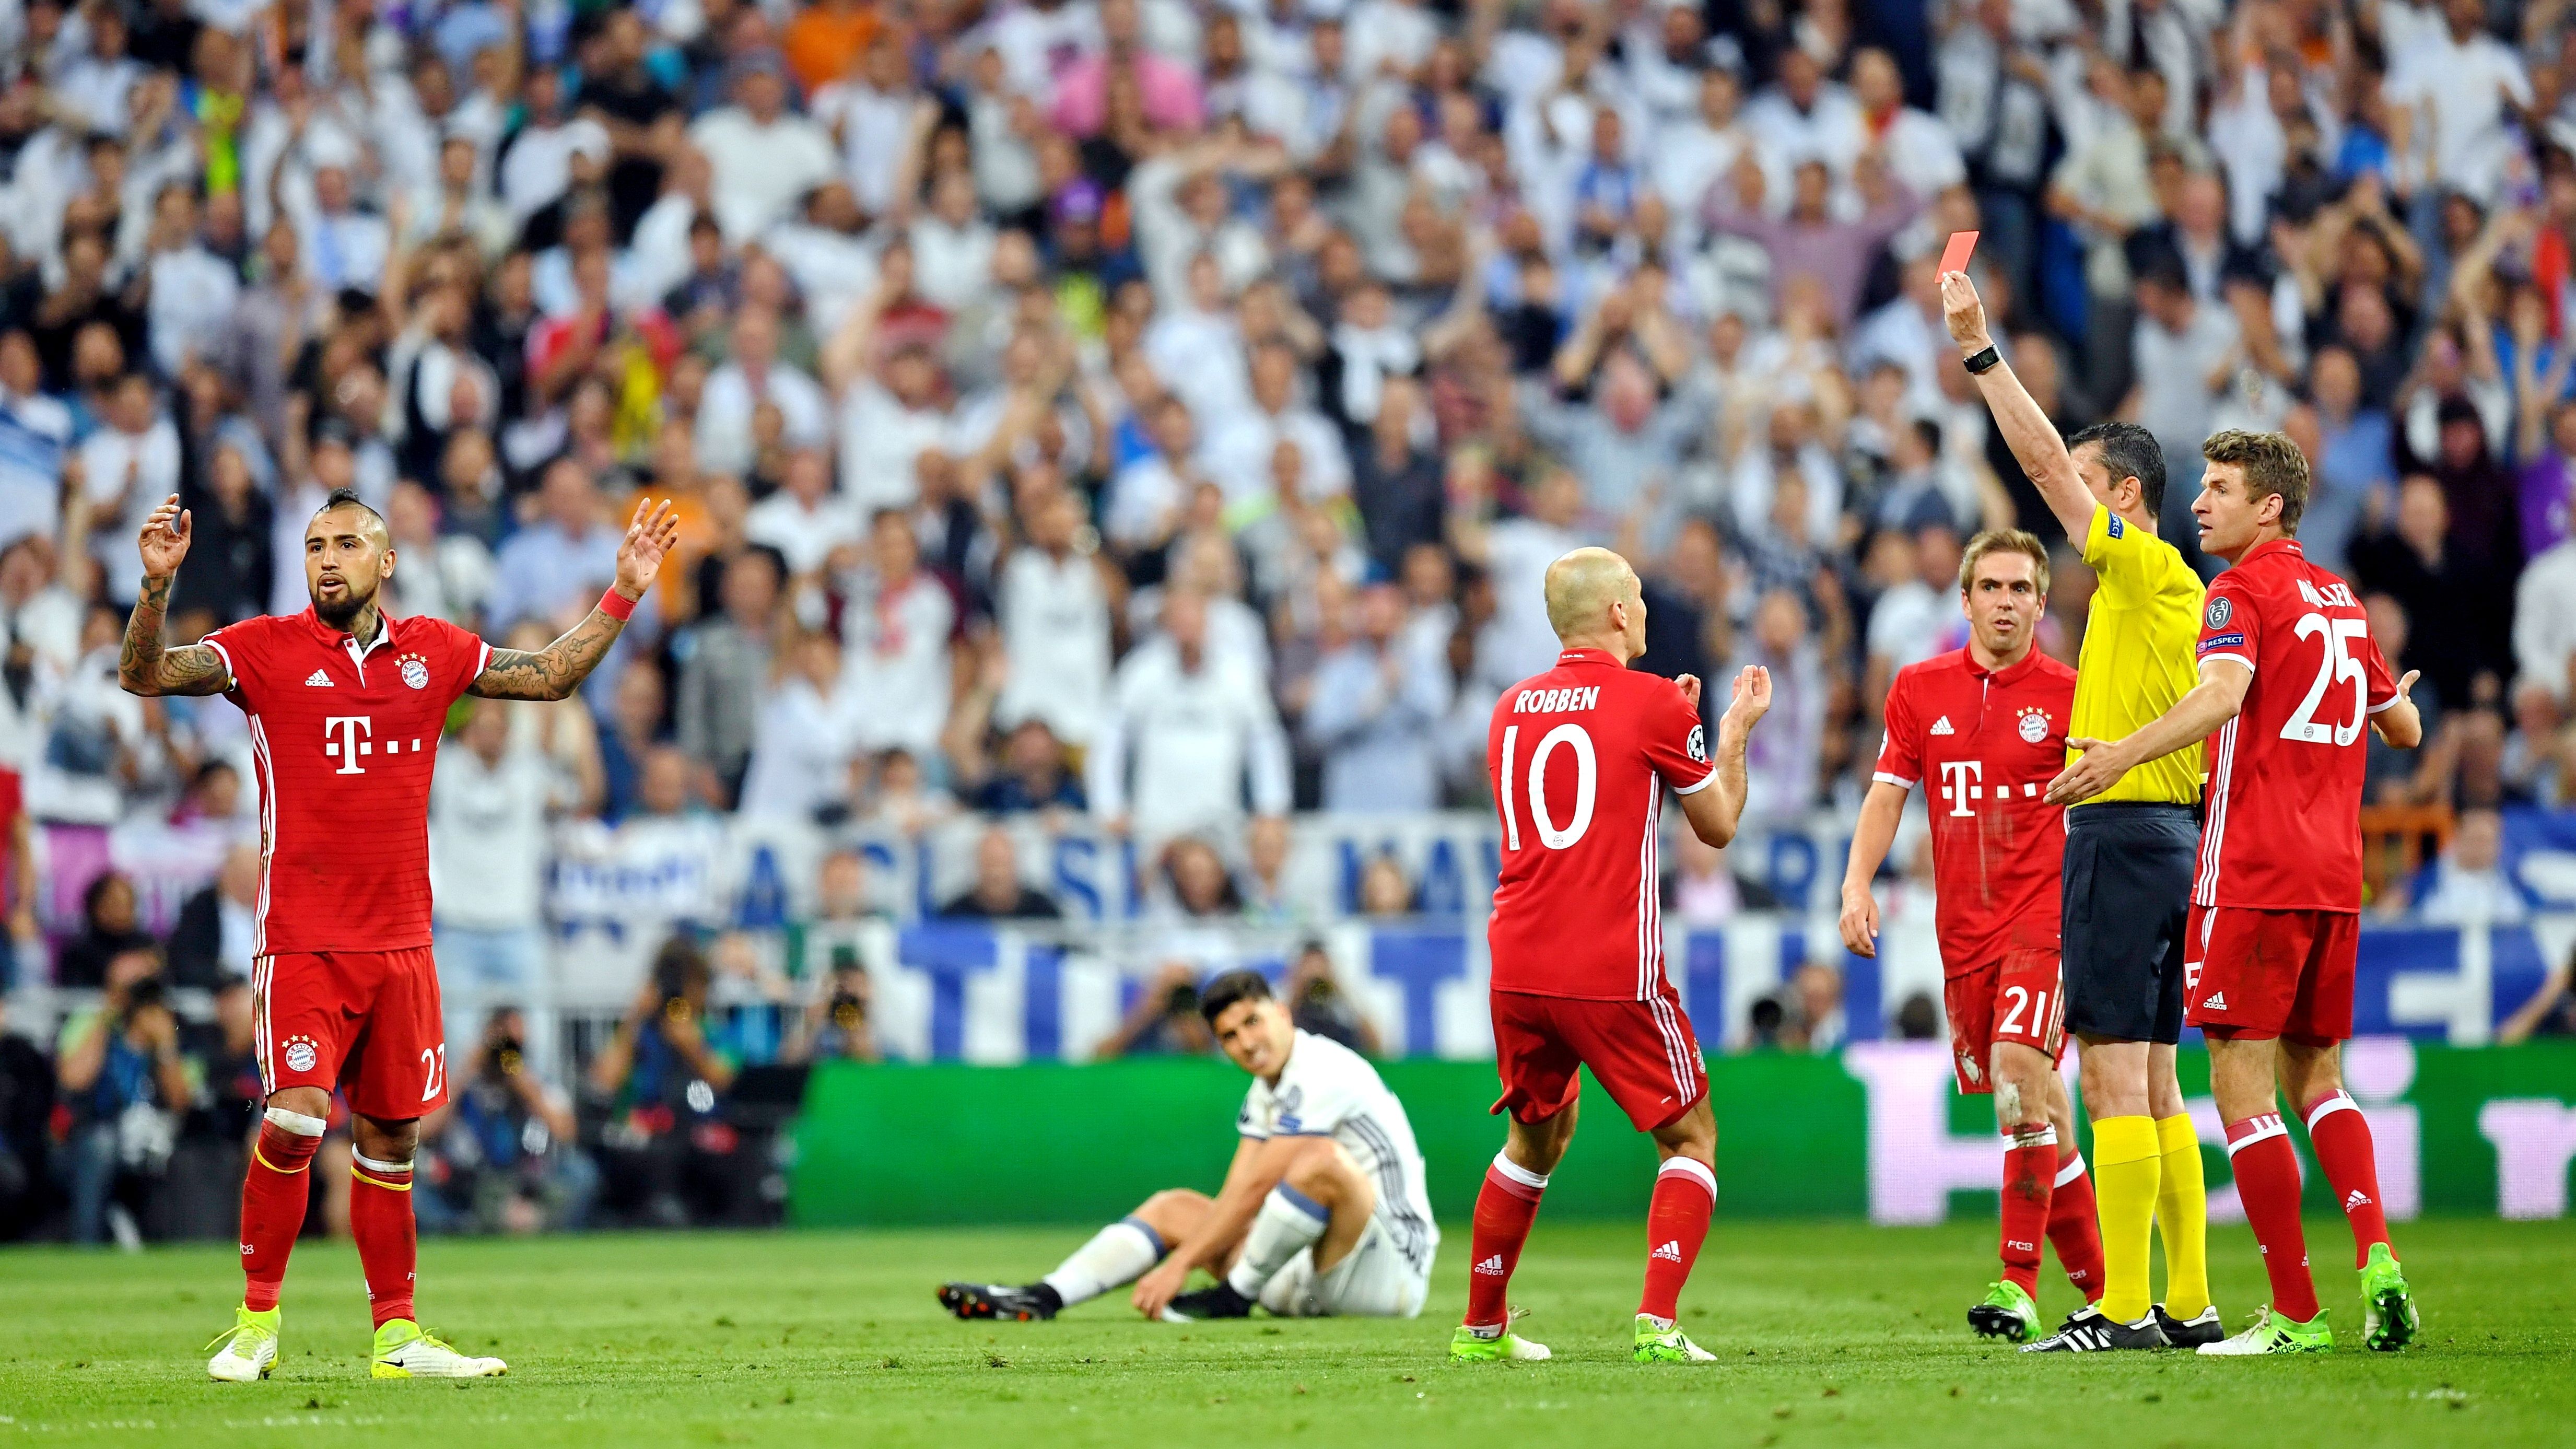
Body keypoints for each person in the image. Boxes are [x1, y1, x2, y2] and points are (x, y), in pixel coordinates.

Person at [116, 484, 676, 1381]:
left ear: (387, 560)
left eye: (345, 543)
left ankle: (397, 1336)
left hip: (404, 944)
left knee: (390, 1143)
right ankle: (256, 1324)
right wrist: (155, 587)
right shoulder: (261, 648)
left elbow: (550, 674)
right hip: (303, 940)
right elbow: (145, 675)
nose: (327, 559)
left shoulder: (435, 650)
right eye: (314, 545)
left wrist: (624, 591)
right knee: (295, 1116)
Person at [2043, 430, 2426, 1356]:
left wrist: (2120, 755)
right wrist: (2391, 696)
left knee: (2239, 1083)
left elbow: (2219, 695)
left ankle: (2295, 1311)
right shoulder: (2341, 599)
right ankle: (2377, 1255)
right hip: (2336, 875)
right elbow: (2405, 727)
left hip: (2254, 868)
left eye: (2220, 488)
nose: (2200, 503)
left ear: (2270, 506)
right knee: (2318, 1077)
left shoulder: (2237, 593)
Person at [1943, 268, 2214, 1354]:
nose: (2071, 510)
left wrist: (1981, 354)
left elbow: (2044, 464)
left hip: (2122, 832)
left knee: (2105, 1077)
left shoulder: (2141, 569)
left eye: (2092, 488)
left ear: (2125, 496)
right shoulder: (2164, 595)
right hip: (2171, 833)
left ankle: (2120, 1305)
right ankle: (2187, 1301)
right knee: (2157, 1079)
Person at [1455, 545, 1770, 1366]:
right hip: (1609, 965)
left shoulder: (1510, 707)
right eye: (1637, 595)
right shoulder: (1654, 702)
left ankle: (1480, 1328)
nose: (1647, 607)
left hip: (1517, 962)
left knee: (1536, 1139)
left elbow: (1590, 785)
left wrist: (1672, 731)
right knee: (1691, 1137)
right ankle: (1658, 1323)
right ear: (1620, 612)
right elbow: (1717, 825)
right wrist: (1728, 735)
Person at [1839, 529, 2107, 1342]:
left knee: (2020, 1078)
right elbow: (1888, 793)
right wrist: (1856, 883)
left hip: (2044, 924)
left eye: (2021, 588)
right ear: (1964, 600)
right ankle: (2108, 1292)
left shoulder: (2075, 693)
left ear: (2041, 602)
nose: (2005, 602)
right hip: (1964, 937)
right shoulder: (1919, 689)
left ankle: (2017, 1284)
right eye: (1990, 587)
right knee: (2044, 1111)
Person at [939, 969, 1435, 1323]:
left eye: (1253, 1021)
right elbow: (1236, 1194)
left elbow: (1259, 1188)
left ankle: (1234, 1296)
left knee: (1320, 1162)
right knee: (1174, 1208)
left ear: (1283, 1013)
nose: (1246, 1043)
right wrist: (1196, 1249)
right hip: (1316, 1276)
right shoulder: (1265, 1091)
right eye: (1230, 1036)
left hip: (1390, 1275)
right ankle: (1042, 1297)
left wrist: (1179, 1266)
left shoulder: (1327, 1068)